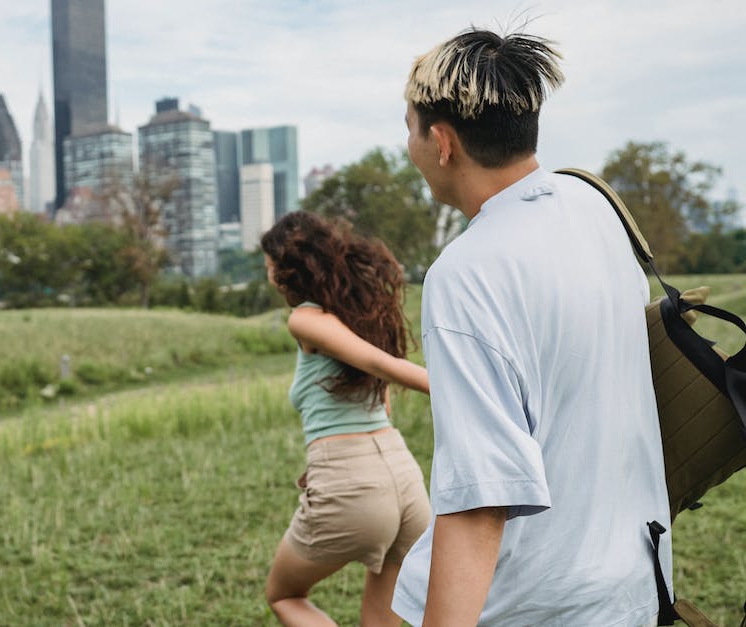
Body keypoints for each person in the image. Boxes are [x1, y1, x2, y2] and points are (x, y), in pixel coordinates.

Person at [391, 29, 672, 626]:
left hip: (534, 606)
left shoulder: (465, 275)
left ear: (441, 142)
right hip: (634, 586)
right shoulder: (596, 208)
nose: (408, 145)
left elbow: (481, 500)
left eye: (410, 128)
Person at [261, 211, 432, 627]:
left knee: (283, 595)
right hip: (405, 480)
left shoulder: (305, 319)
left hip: (352, 483)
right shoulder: (359, 321)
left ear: (285, 269)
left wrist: (455, 386)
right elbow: (382, 396)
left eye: (267, 263)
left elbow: (378, 364)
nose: (266, 272)